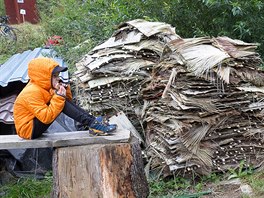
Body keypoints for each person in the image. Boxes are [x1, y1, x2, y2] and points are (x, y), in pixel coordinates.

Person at [13, 57, 116, 140]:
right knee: (60, 101)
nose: (58, 78)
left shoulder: (45, 87)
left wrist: (64, 90)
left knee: (61, 101)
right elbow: (46, 117)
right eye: (55, 76)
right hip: (28, 130)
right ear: (43, 76)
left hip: (35, 124)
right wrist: (59, 97)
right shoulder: (32, 92)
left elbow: (68, 102)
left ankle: (93, 122)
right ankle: (93, 124)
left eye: (58, 75)